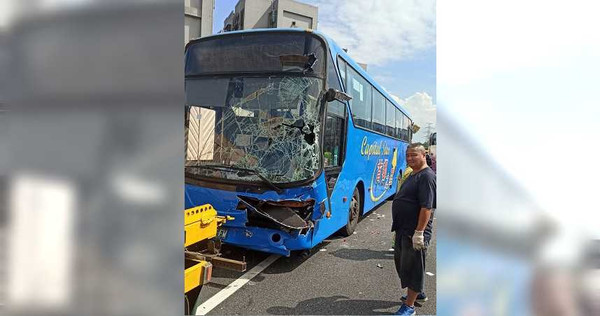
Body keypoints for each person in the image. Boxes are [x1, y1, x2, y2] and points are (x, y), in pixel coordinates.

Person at [391, 143, 436, 315]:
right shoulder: (413, 174)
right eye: (408, 155)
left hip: (414, 231)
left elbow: (426, 207)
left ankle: (409, 306)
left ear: (424, 155)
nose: (409, 158)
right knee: (404, 264)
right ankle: (418, 293)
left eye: (414, 155)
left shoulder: (427, 177)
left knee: (412, 267)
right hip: (403, 229)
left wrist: (419, 233)